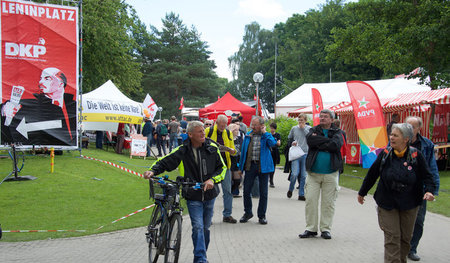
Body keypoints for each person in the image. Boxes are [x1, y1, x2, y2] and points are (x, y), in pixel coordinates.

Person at [143, 121, 226, 263]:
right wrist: (152, 170)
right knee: (198, 227)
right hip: (192, 195)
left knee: (205, 228)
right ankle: (201, 259)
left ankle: (199, 255)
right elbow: (165, 161)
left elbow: (222, 169)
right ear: (190, 134)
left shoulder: (212, 148)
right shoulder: (183, 150)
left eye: (203, 131)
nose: (203, 134)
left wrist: (212, 180)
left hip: (210, 195)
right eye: (199, 131)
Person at [357, 123, 436, 263]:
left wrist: (429, 191)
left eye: (395, 135)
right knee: (393, 237)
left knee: (406, 238)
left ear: (406, 139)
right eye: (391, 135)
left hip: (410, 203)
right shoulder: (385, 154)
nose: (391, 138)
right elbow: (372, 174)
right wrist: (362, 193)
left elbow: (428, 176)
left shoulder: (416, 155)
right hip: (387, 202)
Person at [1, 67, 76, 146]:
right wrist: (6, 114)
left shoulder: (72, 105)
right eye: (41, 78)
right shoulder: (30, 104)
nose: (41, 82)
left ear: (61, 83)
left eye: (47, 79)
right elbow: (12, 129)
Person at [299, 109, 343, 240]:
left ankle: (326, 229)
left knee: (328, 203)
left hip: (331, 173)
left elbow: (335, 145)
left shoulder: (337, 132)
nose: (322, 118)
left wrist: (319, 142)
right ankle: (311, 228)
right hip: (313, 173)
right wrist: (325, 142)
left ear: (331, 119)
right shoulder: (313, 130)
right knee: (311, 201)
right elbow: (310, 141)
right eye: (321, 116)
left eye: (325, 117)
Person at [405, 116, 440, 261]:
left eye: (412, 127)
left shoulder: (427, 144)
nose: (409, 129)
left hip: (420, 189)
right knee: (400, 221)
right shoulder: (397, 141)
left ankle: (412, 249)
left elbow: (432, 167)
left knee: (418, 221)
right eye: (407, 126)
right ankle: (398, 247)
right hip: (400, 189)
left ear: (419, 128)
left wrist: (431, 190)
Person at [239, 116, 277, 225]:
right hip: (250, 166)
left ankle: (262, 216)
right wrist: (241, 168)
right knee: (246, 191)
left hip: (263, 167)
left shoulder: (266, 136)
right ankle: (248, 212)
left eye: (255, 125)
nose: (253, 126)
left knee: (263, 193)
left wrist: (265, 133)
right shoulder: (248, 135)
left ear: (261, 126)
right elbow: (243, 152)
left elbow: (273, 144)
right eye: (252, 124)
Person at [205, 114, 238, 224]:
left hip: (225, 167)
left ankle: (227, 215)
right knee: (210, 191)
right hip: (211, 167)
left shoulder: (228, 133)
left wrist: (232, 151)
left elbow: (233, 148)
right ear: (216, 123)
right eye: (221, 125)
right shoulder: (208, 131)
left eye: (225, 126)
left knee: (228, 191)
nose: (223, 127)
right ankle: (208, 217)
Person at [287, 114, 311, 200]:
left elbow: (310, 137)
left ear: (305, 121)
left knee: (304, 175)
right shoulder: (294, 128)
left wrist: (303, 128)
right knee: (294, 174)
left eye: (302, 120)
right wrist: (293, 142)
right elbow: (289, 138)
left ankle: (301, 194)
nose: (300, 122)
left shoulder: (309, 128)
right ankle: (291, 188)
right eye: (299, 120)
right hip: (296, 154)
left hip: (305, 153)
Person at [268, 122, 281, 188]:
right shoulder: (268, 135)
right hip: (269, 151)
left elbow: (279, 143)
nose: (272, 129)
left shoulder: (277, 135)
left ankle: (271, 179)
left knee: (273, 166)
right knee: (268, 165)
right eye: (271, 128)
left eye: (273, 128)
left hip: (275, 152)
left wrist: (274, 142)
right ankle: (269, 178)